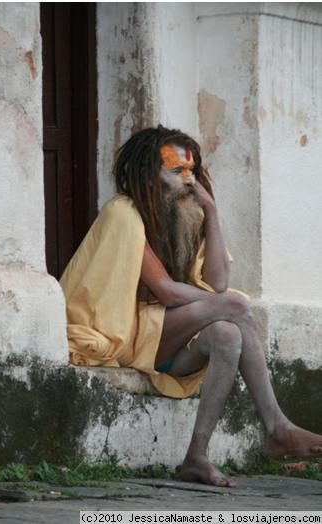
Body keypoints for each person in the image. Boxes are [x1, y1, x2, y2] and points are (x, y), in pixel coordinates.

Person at [60, 125, 322, 487]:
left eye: (192, 171)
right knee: (232, 307)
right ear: (148, 173)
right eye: (176, 171)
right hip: (132, 335)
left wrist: (211, 211)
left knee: (227, 335)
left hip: (171, 344)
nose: (188, 179)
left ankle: (197, 455)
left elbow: (216, 282)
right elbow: (167, 291)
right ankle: (277, 426)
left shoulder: (188, 214)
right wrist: (227, 302)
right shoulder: (123, 213)